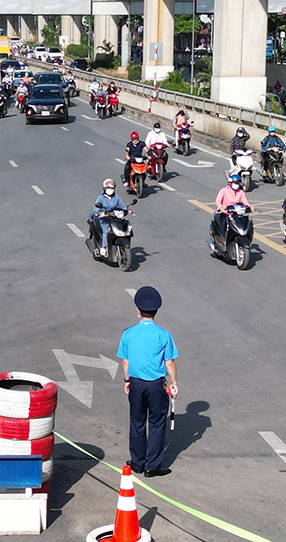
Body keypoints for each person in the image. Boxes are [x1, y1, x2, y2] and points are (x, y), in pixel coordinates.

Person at [117, 286, 179, 478]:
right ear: (156, 311)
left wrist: (127, 380)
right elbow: (169, 362)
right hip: (156, 385)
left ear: (138, 310)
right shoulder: (164, 335)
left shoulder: (128, 333)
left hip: (136, 384)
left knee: (136, 422)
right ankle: (153, 466)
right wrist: (174, 383)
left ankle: (137, 462)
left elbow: (125, 361)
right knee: (157, 422)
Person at [90, 178, 128, 256]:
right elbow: (96, 208)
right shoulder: (101, 198)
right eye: (108, 188)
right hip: (104, 218)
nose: (110, 190)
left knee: (124, 227)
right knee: (106, 230)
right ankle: (103, 247)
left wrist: (126, 210)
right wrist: (101, 213)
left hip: (114, 217)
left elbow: (122, 206)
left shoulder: (116, 197)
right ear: (105, 188)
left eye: (112, 188)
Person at [212, 173, 253, 241]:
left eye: (237, 183)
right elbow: (218, 201)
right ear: (230, 183)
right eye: (235, 183)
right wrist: (221, 207)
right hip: (225, 213)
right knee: (223, 227)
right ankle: (222, 240)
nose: (236, 185)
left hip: (236, 214)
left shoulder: (240, 192)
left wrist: (250, 206)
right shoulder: (224, 190)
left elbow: (245, 202)